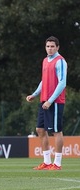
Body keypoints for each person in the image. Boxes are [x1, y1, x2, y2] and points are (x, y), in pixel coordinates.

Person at [26, 36, 67, 170]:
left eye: (52, 46)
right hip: (44, 100)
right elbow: (43, 81)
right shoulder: (45, 61)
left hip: (54, 102)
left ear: (57, 47)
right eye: (48, 46)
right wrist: (34, 94)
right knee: (40, 130)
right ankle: (47, 162)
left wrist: (50, 101)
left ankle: (58, 163)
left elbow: (62, 83)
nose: (49, 49)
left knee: (56, 131)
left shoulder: (60, 61)